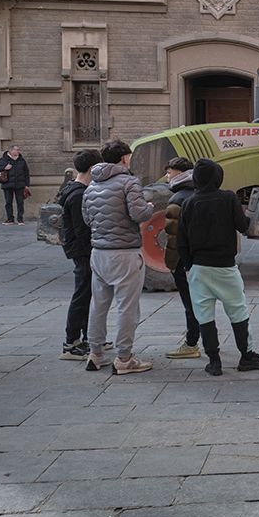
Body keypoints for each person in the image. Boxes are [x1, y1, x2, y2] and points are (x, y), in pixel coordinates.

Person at [178, 158, 259, 376]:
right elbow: (242, 225)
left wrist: (189, 265)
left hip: (199, 268)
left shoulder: (188, 203)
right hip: (225, 267)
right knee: (238, 311)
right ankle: (246, 356)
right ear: (218, 177)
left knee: (204, 316)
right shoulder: (228, 198)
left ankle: (214, 361)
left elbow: (181, 241)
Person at [81, 139, 155, 375]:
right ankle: (124, 358)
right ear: (124, 158)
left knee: (98, 304)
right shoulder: (128, 182)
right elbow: (138, 213)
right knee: (127, 307)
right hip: (124, 252)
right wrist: (150, 206)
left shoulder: (91, 186)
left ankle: (95, 353)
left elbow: (87, 219)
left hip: (99, 252)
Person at [59, 148, 101, 360]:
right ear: (92, 169)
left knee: (86, 294)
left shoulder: (72, 190)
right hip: (82, 251)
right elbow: (81, 229)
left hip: (80, 250)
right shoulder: (78, 195)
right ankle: (71, 342)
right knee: (82, 295)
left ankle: (85, 337)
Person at [162, 156, 202, 360]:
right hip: (205, 259)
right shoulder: (200, 193)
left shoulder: (177, 200)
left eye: (169, 172)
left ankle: (191, 343)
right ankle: (211, 341)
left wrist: (172, 263)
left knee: (190, 303)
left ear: (179, 174)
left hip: (184, 262)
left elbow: (174, 238)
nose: (167, 177)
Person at [0, 145, 31, 225]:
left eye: (18, 150)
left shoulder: (21, 160)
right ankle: (10, 219)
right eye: (16, 150)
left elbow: (26, 173)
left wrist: (27, 185)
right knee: (8, 202)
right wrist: (4, 167)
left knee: (20, 202)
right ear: (11, 151)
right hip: (7, 185)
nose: (18, 151)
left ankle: (20, 219)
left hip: (20, 185)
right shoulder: (3, 160)